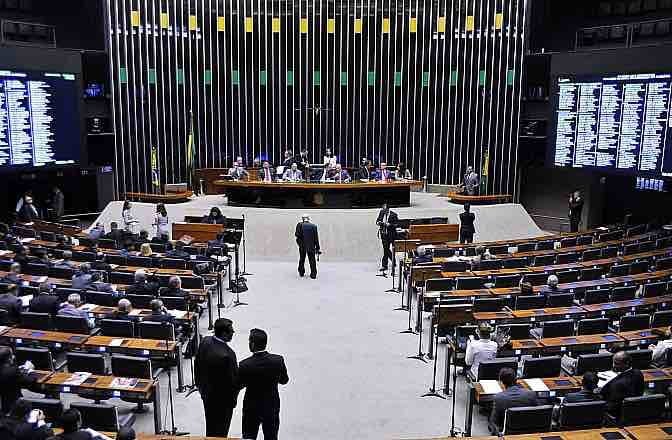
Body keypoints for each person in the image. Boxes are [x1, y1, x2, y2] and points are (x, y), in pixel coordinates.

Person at [238, 329, 289, 440]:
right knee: (271, 436)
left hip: (251, 408)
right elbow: (284, 380)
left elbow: (239, 385)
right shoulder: (278, 360)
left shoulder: (244, 365)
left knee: (249, 437)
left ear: (252, 344)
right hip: (271, 405)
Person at [194, 318, 239, 437]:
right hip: (223, 402)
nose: (233, 332)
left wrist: (200, 387)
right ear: (224, 334)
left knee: (210, 426)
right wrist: (233, 401)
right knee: (221, 431)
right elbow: (233, 381)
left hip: (207, 394)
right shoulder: (228, 355)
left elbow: (197, 364)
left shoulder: (205, 341)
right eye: (231, 331)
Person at [488, 367, 538, 434]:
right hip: (529, 431)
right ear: (516, 379)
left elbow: (493, 422)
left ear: (501, 382)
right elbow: (537, 413)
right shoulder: (531, 394)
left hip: (509, 434)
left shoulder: (498, 398)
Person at [600, 350, 645, 418]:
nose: (613, 366)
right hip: (635, 409)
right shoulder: (638, 373)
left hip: (616, 414)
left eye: (617, 363)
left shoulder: (618, 384)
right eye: (613, 363)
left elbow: (611, 406)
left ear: (627, 363)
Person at [0, 346, 36, 414]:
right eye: (12, 355)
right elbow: (30, 381)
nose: (13, 356)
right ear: (9, 359)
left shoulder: (11, 370)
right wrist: (30, 370)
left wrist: (19, 369)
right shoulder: (12, 371)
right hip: (12, 406)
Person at [295, 214, 320, 279]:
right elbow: (316, 238)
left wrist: (300, 244)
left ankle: (301, 272)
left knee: (302, 259)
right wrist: (317, 247)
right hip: (311, 246)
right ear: (308, 219)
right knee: (312, 260)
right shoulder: (314, 226)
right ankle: (313, 274)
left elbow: (297, 236)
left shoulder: (299, 225)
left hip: (302, 246)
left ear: (303, 218)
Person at [376, 203, 399, 272]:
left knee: (386, 250)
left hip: (391, 234)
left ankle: (388, 263)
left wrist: (390, 225)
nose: (383, 211)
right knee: (386, 249)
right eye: (383, 209)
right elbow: (377, 221)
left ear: (388, 209)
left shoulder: (394, 215)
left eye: (385, 210)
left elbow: (396, 224)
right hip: (383, 234)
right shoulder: (381, 213)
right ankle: (386, 264)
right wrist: (379, 222)